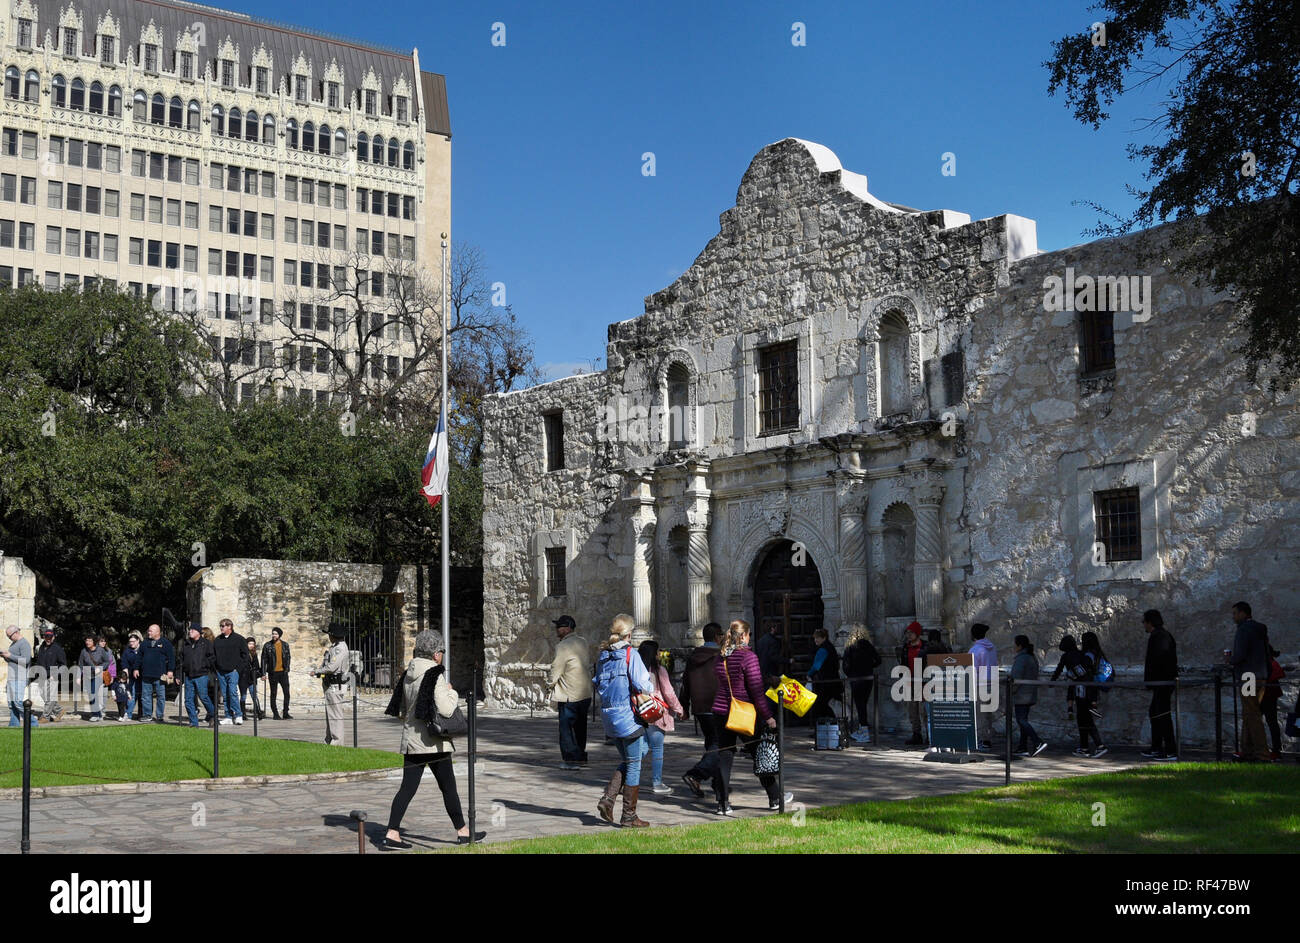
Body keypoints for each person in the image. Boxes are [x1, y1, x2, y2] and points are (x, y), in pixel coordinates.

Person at [380, 630, 484, 849]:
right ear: (437, 654)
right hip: (433, 742)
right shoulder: (435, 674)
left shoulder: (408, 672)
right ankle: (463, 831)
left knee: (407, 788)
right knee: (448, 788)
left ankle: (392, 832)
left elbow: (402, 708)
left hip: (412, 739)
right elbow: (446, 709)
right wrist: (451, 692)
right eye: (442, 652)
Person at [711, 619, 792, 815]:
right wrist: (769, 716)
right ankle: (775, 797)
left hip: (721, 711)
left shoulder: (721, 656)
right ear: (745, 636)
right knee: (760, 753)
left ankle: (723, 804)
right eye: (749, 635)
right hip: (743, 713)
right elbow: (756, 691)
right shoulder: (748, 657)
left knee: (725, 756)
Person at [594, 613, 656, 827]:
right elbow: (642, 683)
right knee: (634, 764)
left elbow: (597, 683)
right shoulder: (630, 654)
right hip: (628, 717)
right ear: (629, 634)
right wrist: (651, 689)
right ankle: (628, 815)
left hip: (610, 717)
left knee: (636, 755)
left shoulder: (604, 656)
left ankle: (609, 798)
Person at [679, 621, 723, 799]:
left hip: (700, 707)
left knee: (712, 743)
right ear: (717, 637)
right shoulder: (720, 655)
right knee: (721, 745)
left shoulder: (693, 656)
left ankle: (718, 782)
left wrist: (684, 706)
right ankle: (696, 774)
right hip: (718, 705)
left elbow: (685, 683)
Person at [637, 640, 684, 795]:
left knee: (642, 748)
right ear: (654, 654)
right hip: (655, 712)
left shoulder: (636, 670)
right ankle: (657, 782)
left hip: (639, 711)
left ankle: (626, 779)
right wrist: (679, 709)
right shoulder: (659, 670)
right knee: (657, 748)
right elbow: (669, 693)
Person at [547, 614, 592, 769]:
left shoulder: (563, 646)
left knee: (566, 730)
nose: (556, 630)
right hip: (584, 693)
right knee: (580, 728)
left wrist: (549, 685)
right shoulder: (583, 642)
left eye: (558, 627)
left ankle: (571, 760)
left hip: (568, 694)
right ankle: (580, 757)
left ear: (566, 629)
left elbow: (556, 669)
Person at [1229, 602, 1271, 763]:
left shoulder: (1243, 630)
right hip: (1261, 675)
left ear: (1243, 613)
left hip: (1247, 676)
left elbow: (1240, 654)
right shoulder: (1261, 628)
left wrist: (1230, 660)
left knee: (1252, 715)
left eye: (1235, 613)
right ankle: (1247, 751)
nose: (1233, 617)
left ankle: (1261, 753)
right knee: (1249, 713)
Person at [1051, 636, 1101, 756]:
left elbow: (1059, 670)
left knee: (1085, 719)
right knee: (1083, 719)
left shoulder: (1066, 657)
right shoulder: (1081, 654)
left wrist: (1052, 681)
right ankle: (1084, 747)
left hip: (1080, 690)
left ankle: (1099, 745)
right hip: (1086, 689)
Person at [1141, 610, 1178, 760]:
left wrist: (1155, 679)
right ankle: (1156, 746)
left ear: (1150, 622)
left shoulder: (1160, 636)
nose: (1143, 625)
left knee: (1162, 714)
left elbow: (1160, 660)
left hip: (1163, 682)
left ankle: (1170, 750)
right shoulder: (1158, 636)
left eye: (1144, 622)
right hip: (1160, 682)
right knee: (1155, 713)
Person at [312, 623, 351, 745]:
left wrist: (317, 671)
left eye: (329, 634)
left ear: (333, 636)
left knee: (335, 715)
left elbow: (332, 667)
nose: (329, 637)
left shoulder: (340, 648)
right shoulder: (335, 647)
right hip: (331, 684)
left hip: (335, 685)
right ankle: (329, 739)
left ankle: (337, 742)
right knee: (331, 714)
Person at [843, 625, 881, 743]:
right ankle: (862, 730)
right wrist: (869, 667)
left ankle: (864, 732)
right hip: (868, 678)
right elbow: (878, 660)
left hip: (856, 679)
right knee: (863, 704)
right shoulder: (868, 646)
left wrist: (850, 674)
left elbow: (845, 665)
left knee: (860, 705)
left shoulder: (850, 647)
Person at [1009, 635, 1045, 756]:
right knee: (1023, 720)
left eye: (1015, 644)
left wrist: (1011, 690)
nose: (1013, 647)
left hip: (1022, 695)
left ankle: (1037, 741)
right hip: (1029, 694)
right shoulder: (1031, 657)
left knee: (1022, 720)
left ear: (1019, 646)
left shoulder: (1022, 658)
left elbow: (1016, 677)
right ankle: (1022, 747)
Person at [212, 619, 248, 725]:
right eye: (220, 626)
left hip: (233, 671)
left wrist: (238, 669)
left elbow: (245, 655)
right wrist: (216, 668)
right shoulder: (218, 640)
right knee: (225, 694)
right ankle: (228, 716)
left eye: (223, 626)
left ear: (229, 626)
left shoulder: (239, 639)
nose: (221, 628)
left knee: (232, 692)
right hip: (221, 671)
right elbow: (213, 655)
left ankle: (238, 715)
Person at [137, 624, 175, 724]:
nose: (148, 633)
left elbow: (171, 657)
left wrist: (170, 670)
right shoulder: (145, 643)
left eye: (151, 631)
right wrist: (136, 668)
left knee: (160, 696)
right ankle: (147, 715)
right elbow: (139, 657)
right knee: (145, 696)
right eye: (148, 631)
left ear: (157, 632)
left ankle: (159, 716)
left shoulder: (165, 643)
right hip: (146, 675)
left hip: (160, 675)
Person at [897, 621, 928, 745]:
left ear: (917, 634)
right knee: (912, 711)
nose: (908, 635)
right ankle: (916, 734)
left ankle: (929, 734)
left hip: (924, 683)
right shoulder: (905, 647)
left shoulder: (926, 647)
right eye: (907, 633)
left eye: (911, 633)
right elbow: (903, 664)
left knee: (925, 711)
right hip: (910, 683)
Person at [969, 623, 998, 750]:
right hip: (992, 683)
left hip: (980, 685)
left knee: (980, 715)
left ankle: (983, 740)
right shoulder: (992, 647)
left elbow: (971, 670)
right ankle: (987, 739)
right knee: (988, 715)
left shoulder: (975, 650)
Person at [180, 625, 215, 727]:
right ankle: (193, 722)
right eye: (190, 629)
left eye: (193, 630)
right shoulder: (186, 644)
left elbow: (212, 658)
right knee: (188, 700)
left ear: (198, 632)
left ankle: (213, 714)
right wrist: (179, 675)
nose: (190, 631)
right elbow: (181, 659)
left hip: (201, 675)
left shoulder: (206, 643)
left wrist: (205, 666)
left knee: (203, 697)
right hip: (189, 676)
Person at [2, 626, 37, 727]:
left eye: (10, 636)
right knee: (12, 704)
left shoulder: (24, 644)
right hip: (12, 677)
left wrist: (10, 656)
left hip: (19, 677)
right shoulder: (14, 644)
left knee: (17, 703)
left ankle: (33, 723)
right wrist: (5, 656)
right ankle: (13, 725)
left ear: (16, 632)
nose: (9, 638)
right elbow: (13, 660)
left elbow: (26, 660)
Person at [806, 628, 842, 724]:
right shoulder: (830, 647)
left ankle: (827, 727)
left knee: (820, 705)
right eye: (815, 638)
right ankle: (828, 727)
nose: (815, 640)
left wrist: (809, 674)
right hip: (831, 681)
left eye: (817, 638)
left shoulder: (823, 649)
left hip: (824, 683)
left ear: (824, 638)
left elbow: (817, 665)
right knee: (823, 705)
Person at [260, 627, 293, 719]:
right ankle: (275, 713)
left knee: (287, 693)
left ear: (279, 635)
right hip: (273, 673)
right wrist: (263, 673)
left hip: (283, 673)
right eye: (273, 633)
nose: (274, 635)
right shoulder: (267, 645)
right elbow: (263, 660)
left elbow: (288, 657)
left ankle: (286, 712)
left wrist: (287, 668)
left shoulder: (285, 645)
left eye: (276, 634)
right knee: (273, 693)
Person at [35, 627, 67, 722]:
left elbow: (63, 665)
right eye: (46, 637)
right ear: (44, 637)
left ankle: (45, 717)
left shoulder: (58, 649)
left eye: (50, 637)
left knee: (50, 697)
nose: (48, 639)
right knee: (44, 696)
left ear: (53, 637)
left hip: (53, 676)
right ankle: (59, 711)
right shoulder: (41, 647)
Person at [77, 635, 109, 721]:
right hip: (87, 675)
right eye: (86, 640)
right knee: (90, 694)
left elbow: (107, 661)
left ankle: (95, 714)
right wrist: (78, 677)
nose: (87, 642)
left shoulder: (101, 650)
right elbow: (80, 664)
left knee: (93, 693)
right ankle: (98, 714)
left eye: (90, 641)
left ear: (94, 642)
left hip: (98, 675)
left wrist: (100, 668)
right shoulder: (83, 651)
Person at [1262, 646, 1285, 760]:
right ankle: (1275, 751)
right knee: (1271, 722)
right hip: (1266, 694)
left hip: (1267, 695)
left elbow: (1276, 674)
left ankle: (1275, 750)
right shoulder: (1270, 662)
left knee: (1271, 722)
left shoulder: (1270, 663)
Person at [98, 636, 127, 721]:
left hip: (106, 676)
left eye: (104, 641)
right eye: (101, 641)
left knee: (103, 695)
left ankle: (102, 712)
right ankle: (97, 712)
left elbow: (112, 665)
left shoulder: (109, 651)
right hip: (96, 675)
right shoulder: (94, 652)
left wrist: (112, 676)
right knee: (97, 695)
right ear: (97, 642)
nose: (103, 643)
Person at [754, 621, 786, 687]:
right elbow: (774, 657)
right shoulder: (773, 641)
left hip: (762, 671)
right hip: (772, 672)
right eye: (777, 627)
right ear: (772, 628)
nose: (778, 629)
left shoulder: (760, 640)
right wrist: (787, 661)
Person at [239, 636, 264, 720]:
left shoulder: (254, 654)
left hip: (251, 678)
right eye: (250, 643)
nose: (251, 645)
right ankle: (243, 713)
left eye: (253, 644)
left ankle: (259, 712)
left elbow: (257, 665)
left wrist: (259, 673)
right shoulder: (243, 653)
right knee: (243, 696)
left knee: (254, 695)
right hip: (243, 678)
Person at [119, 633, 143, 722]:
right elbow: (124, 663)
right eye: (130, 642)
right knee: (132, 695)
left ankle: (142, 714)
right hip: (131, 677)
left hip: (142, 676)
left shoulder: (143, 649)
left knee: (142, 696)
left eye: (133, 641)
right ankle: (128, 714)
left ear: (138, 641)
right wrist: (126, 676)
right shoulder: (127, 651)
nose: (131, 643)